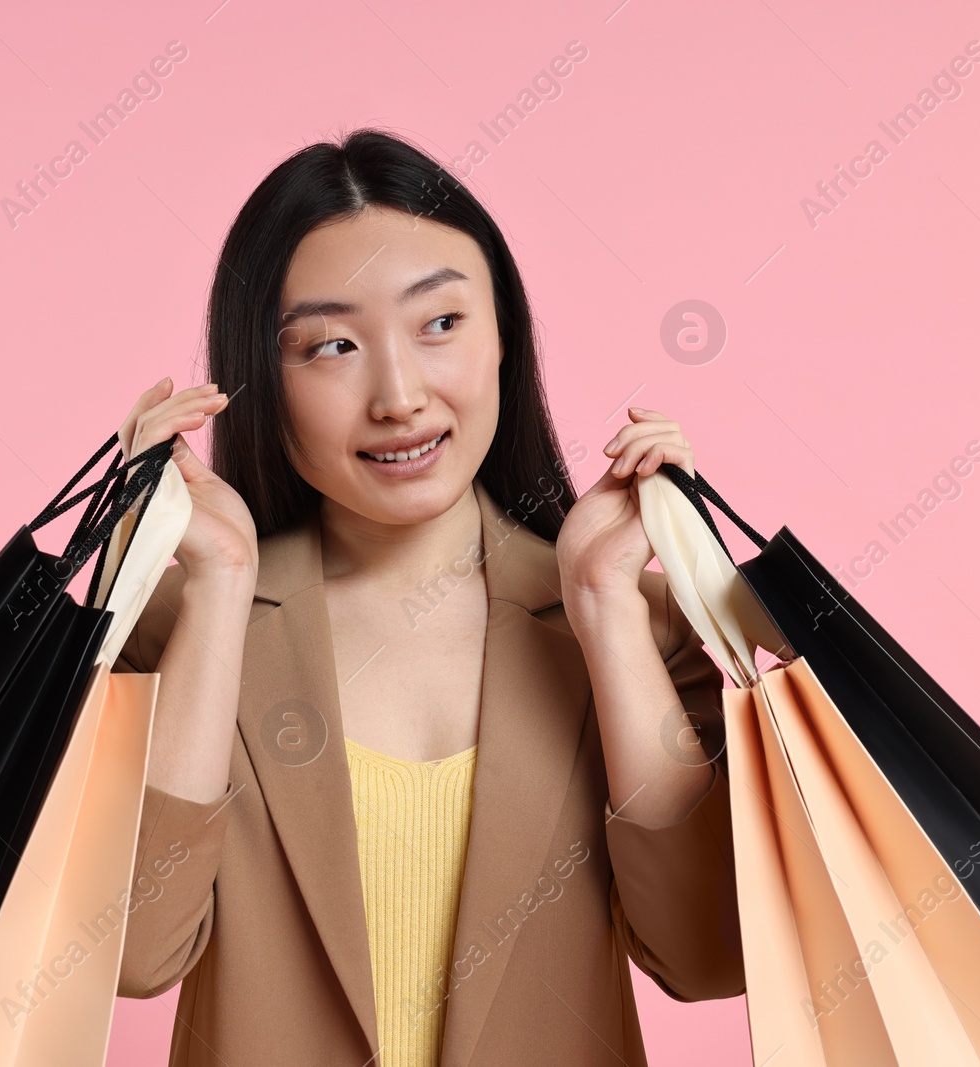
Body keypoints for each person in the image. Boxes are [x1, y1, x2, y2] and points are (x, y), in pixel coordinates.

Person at [112, 127, 743, 1066]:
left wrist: (606, 608)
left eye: (440, 323)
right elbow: (133, 951)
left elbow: (704, 952)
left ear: (504, 341)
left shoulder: (635, 626)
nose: (399, 395)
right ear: (259, 380)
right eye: (331, 345)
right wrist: (216, 586)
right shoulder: (186, 628)